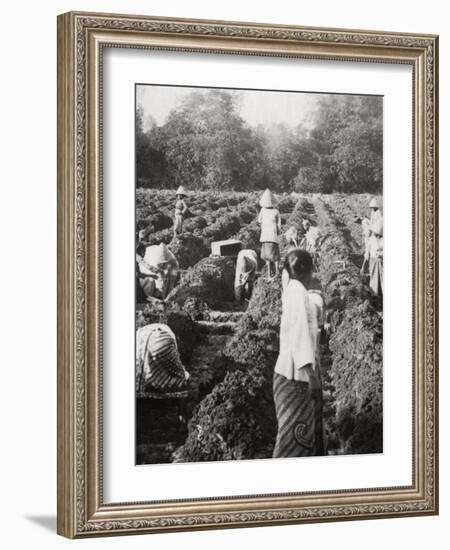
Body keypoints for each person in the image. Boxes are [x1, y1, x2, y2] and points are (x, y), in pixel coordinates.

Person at [273, 249, 324, 458]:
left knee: (297, 437)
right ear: (308, 271)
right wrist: (311, 376)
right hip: (295, 377)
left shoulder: (294, 290)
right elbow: (300, 334)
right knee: (292, 440)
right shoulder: (297, 294)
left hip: (294, 373)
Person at [136, 323, 190, 393]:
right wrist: (186, 376)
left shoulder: (147, 328)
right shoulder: (168, 334)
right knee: (181, 376)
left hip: (140, 338)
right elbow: (176, 368)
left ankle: (144, 385)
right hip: (161, 339)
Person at [258, 188, 282, 279]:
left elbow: (259, 221)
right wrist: (278, 233)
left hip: (264, 236)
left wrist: (264, 225)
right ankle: (277, 272)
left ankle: (268, 274)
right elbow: (279, 226)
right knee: (275, 255)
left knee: (267, 256)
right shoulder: (276, 211)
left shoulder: (262, 211)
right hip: (272, 235)